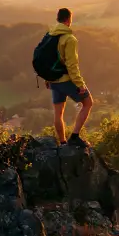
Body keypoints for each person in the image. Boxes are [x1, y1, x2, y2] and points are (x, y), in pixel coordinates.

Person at [45, 8, 93, 147]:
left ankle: (62, 143)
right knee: (88, 103)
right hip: (66, 80)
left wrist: (47, 78)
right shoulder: (69, 39)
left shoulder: (50, 35)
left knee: (58, 113)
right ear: (68, 20)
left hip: (53, 80)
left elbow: (48, 60)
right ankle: (75, 136)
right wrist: (80, 85)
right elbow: (72, 66)